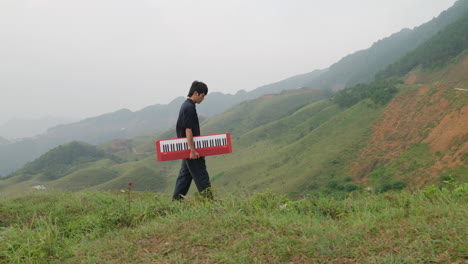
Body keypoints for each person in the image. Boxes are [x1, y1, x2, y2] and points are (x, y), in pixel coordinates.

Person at [172, 80, 213, 200]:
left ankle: (176, 202)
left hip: (186, 148)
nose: (203, 98)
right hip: (191, 149)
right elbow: (188, 130)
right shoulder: (189, 107)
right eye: (202, 95)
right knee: (201, 175)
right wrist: (192, 150)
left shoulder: (186, 105)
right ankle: (210, 202)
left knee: (184, 176)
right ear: (196, 93)